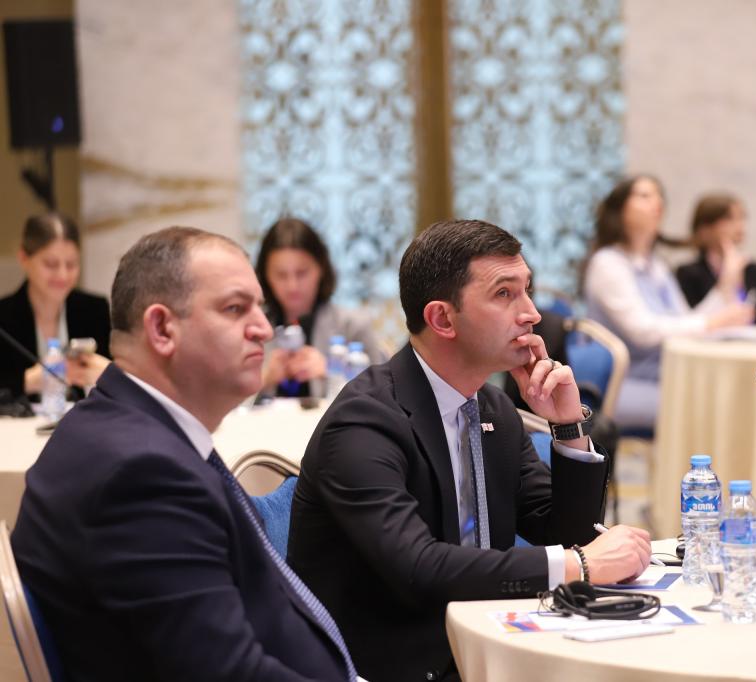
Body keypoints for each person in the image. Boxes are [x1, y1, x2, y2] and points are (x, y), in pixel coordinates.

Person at [288, 219, 652, 681]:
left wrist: (567, 426)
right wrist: (579, 565)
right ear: (442, 319)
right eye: (504, 294)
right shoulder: (364, 421)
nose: (531, 313)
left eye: (526, 290)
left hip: (488, 645)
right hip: (388, 666)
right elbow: (418, 567)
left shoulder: (493, 409)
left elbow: (565, 533)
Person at [12, 227, 359, 680]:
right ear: (161, 329)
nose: (262, 329)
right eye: (235, 308)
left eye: (261, 307)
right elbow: (230, 673)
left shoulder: (116, 422)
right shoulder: (141, 476)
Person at [582, 175, 754, 431]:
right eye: (644, 196)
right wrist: (713, 322)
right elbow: (643, 332)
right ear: (620, 209)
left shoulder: (655, 266)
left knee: (734, 395)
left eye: (659, 195)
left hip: (667, 376)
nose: (657, 202)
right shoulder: (608, 263)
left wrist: (726, 284)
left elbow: (685, 320)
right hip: (626, 383)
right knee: (715, 407)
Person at [255, 217, 385, 398]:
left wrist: (331, 371)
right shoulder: (253, 330)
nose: (292, 286)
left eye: (302, 273)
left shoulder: (353, 325)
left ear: (321, 269)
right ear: (265, 276)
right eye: (281, 275)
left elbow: (383, 393)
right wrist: (264, 380)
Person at [0, 212, 110, 400]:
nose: (62, 275)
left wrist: (105, 373)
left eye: (71, 264)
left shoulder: (94, 310)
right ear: (24, 258)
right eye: (51, 264)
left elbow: (119, 383)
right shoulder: (3, 317)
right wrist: (29, 381)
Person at [675, 193, 756, 324]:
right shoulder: (688, 273)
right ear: (705, 228)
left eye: (742, 217)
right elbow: (690, 323)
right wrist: (728, 276)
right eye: (729, 218)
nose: (739, 225)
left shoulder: (754, 269)